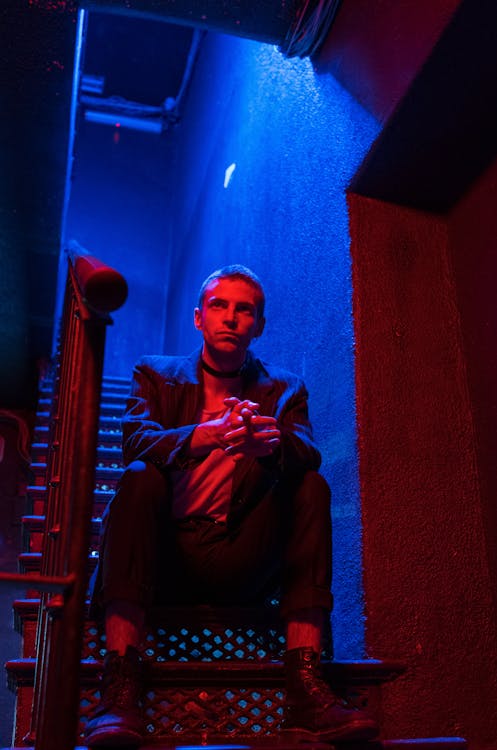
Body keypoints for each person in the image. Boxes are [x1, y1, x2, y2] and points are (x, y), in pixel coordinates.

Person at [84, 265, 378, 747]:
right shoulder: (155, 374)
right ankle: (121, 684)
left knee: (311, 486)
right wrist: (209, 436)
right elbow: (135, 443)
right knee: (138, 479)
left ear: (258, 325)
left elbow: (308, 451)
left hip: (242, 555)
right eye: (219, 305)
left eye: (245, 309)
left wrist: (270, 445)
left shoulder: (283, 389)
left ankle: (305, 682)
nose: (231, 317)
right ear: (199, 318)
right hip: (166, 560)